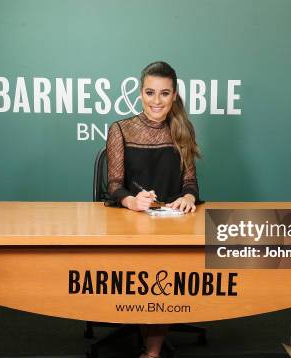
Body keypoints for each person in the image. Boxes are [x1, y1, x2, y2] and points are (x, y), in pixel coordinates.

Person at [106, 61, 201, 357]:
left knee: (165, 273)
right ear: (140, 93)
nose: (156, 101)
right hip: (130, 223)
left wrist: (187, 197)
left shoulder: (182, 129)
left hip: (172, 225)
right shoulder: (120, 129)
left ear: (174, 96)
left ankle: (153, 351)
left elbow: (190, 183)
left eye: (164, 93)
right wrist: (131, 201)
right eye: (150, 92)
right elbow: (113, 185)